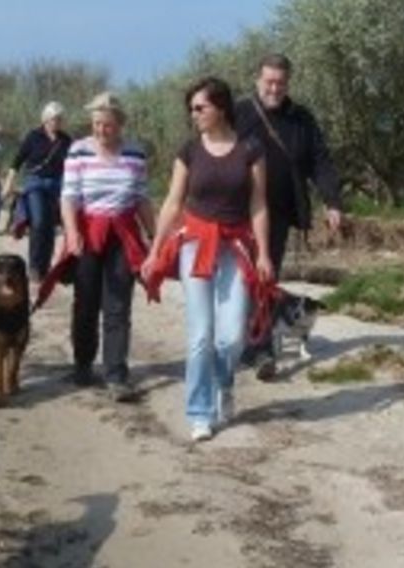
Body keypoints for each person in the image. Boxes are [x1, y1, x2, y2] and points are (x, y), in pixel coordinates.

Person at [142, 77, 273, 442]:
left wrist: (263, 252)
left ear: (221, 108)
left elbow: (259, 204)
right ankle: (200, 411)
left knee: (231, 338)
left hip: (235, 246)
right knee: (201, 335)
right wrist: (155, 250)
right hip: (195, 244)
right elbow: (172, 202)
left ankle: (224, 382)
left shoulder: (250, 149)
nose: (194, 114)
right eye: (191, 109)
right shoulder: (189, 150)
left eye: (200, 107)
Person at [233, 54, 342, 379]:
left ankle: (262, 349)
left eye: (280, 82)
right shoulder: (238, 113)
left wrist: (332, 201)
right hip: (235, 213)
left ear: (288, 83)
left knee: (265, 279)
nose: (274, 88)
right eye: (269, 81)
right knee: (237, 283)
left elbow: (320, 161)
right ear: (258, 80)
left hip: (278, 214)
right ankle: (242, 342)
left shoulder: (301, 119)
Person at [50, 92, 155, 402]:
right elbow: (69, 196)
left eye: (107, 125)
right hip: (88, 231)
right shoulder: (78, 151)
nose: (100, 130)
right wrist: (70, 233)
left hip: (123, 234)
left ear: (119, 124)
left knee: (118, 304)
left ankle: (116, 373)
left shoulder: (135, 154)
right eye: (96, 124)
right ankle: (83, 364)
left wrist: (155, 238)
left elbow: (141, 198)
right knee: (86, 302)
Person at [7, 102, 73, 278]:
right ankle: (35, 265)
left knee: (50, 226)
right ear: (45, 119)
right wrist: (8, 184)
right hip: (35, 184)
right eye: (53, 119)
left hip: (57, 186)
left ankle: (44, 268)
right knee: (39, 222)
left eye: (59, 119)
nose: (56, 122)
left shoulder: (65, 140)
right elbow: (17, 161)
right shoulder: (33, 136)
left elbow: (74, 165)